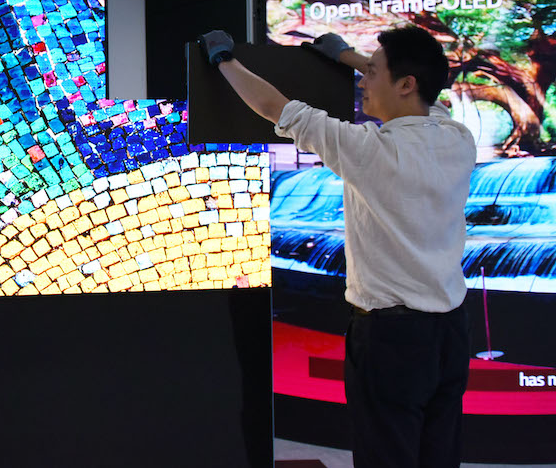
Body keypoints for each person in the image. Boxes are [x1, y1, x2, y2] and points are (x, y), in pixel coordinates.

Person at [200, 27, 475, 468]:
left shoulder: (368, 150)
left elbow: (275, 108)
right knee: (438, 455)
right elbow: (421, 96)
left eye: (373, 72)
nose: (364, 80)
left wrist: (223, 59)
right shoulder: (456, 136)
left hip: (391, 339)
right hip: (451, 332)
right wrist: (346, 56)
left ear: (406, 84)